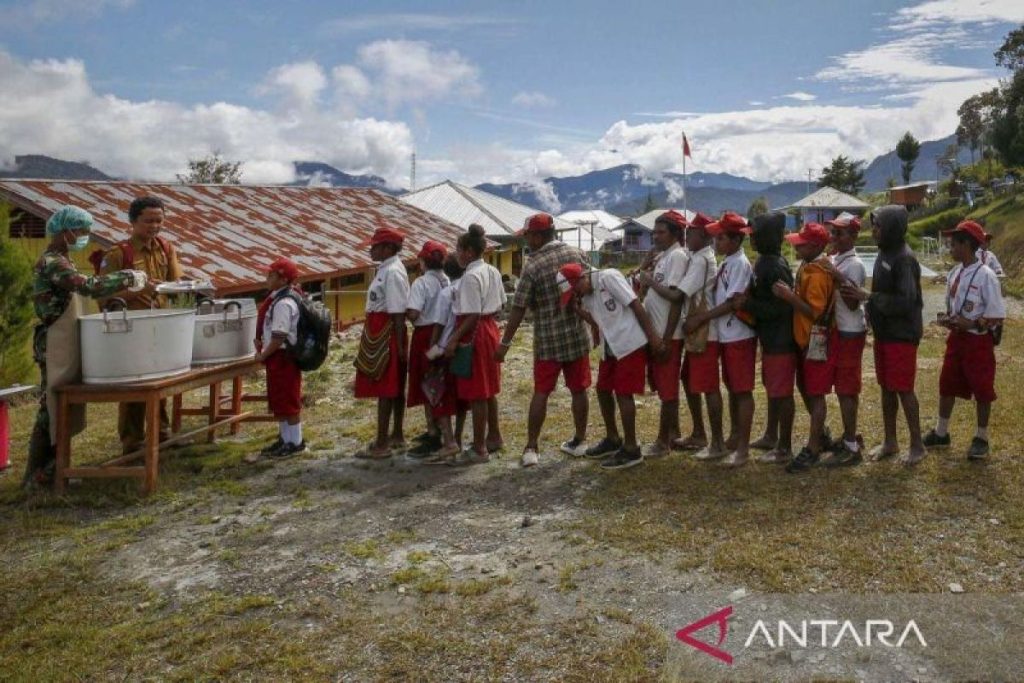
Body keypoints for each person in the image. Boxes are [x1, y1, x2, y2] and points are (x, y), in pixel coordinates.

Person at [25, 206, 149, 488]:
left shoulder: (63, 258)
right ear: (64, 231)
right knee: (51, 407)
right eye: (80, 231)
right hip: (53, 341)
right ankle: (38, 476)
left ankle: (53, 470)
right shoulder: (53, 262)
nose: (84, 236)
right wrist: (126, 277)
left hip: (64, 338)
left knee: (59, 408)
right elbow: (88, 286)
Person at [496, 213, 592, 467]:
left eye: (527, 235)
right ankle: (580, 440)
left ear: (538, 236)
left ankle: (531, 447)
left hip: (548, 341)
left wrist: (505, 344)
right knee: (579, 389)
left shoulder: (533, 264)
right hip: (577, 337)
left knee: (541, 392)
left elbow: (518, 307)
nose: (527, 240)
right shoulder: (578, 254)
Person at [558, 262, 664, 470]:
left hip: (629, 342)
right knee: (603, 390)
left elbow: (635, 305)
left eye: (575, 289)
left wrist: (653, 338)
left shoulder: (609, 278)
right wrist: (580, 312)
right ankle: (613, 438)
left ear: (582, 277)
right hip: (611, 345)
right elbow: (601, 321)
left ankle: (632, 448)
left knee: (624, 394)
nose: (577, 294)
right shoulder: (586, 296)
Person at [842, 205, 926, 465]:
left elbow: (907, 301)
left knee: (903, 389)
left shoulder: (904, 259)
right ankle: (890, 441)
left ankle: (917, 444)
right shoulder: (884, 253)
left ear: (891, 228)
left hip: (902, 335)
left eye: (878, 226)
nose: (874, 231)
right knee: (887, 388)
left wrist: (869, 297)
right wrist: (871, 311)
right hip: (885, 334)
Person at [100, 195, 184, 455]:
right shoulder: (117, 254)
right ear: (134, 221)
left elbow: (176, 284)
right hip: (130, 328)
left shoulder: (166, 249)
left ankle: (161, 433)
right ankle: (132, 442)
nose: (154, 226)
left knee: (160, 379)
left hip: (159, 324)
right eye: (148, 221)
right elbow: (103, 298)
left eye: (159, 221)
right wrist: (136, 291)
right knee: (134, 385)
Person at [924, 220, 1006, 459]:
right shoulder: (954, 273)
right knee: (947, 382)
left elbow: (996, 315)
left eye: (954, 244)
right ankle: (941, 432)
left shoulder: (986, 276)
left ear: (967, 245)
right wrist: (950, 320)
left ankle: (981, 436)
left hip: (977, 342)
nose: (950, 249)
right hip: (957, 338)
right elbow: (954, 306)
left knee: (982, 387)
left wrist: (971, 323)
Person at [685, 212, 755, 467]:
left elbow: (732, 303)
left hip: (738, 335)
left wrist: (702, 317)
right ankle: (735, 437)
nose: (717, 241)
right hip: (727, 335)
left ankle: (743, 449)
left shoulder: (739, 264)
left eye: (722, 237)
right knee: (734, 388)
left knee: (742, 391)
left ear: (736, 239)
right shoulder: (728, 261)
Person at [773, 223, 838, 473]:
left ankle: (813, 446)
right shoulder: (809, 266)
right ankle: (819, 435)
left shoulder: (818, 272)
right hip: (806, 339)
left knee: (816, 393)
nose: (796, 245)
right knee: (808, 388)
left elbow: (815, 311)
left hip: (816, 339)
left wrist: (789, 297)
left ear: (815, 246)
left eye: (801, 243)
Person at [445, 224, 506, 464]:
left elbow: (471, 315)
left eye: (458, 249)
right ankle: (494, 436)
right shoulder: (492, 270)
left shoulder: (470, 277)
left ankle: (479, 447)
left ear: (468, 251)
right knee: (489, 389)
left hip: (474, 333)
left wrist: (453, 340)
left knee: (477, 393)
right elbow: (500, 305)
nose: (456, 254)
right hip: (491, 329)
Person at [742, 212, 797, 464]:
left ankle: (784, 446)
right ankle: (770, 435)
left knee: (782, 392)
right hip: (769, 339)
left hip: (780, 339)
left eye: (756, 235)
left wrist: (748, 304)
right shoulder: (764, 261)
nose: (751, 240)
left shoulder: (774, 266)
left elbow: (783, 307)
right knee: (773, 389)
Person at [354, 226, 410, 459]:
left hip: (387, 330)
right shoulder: (385, 269)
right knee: (392, 385)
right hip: (381, 328)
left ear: (388, 248)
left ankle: (382, 441)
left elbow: (397, 312)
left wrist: (399, 345)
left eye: (375, 246)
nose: (371, 250)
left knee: (387, 386)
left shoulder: (393, 272)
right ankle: (395, 434)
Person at [636, 210, 688, 458]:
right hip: (656, 331)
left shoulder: (677, 256)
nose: (655, 236)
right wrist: (645, 268)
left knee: (668, 389)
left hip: (669, 333)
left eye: (661, 232)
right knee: (662, 385)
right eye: (653, 232)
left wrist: (666, 338)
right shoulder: (663, 257)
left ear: (675, 233)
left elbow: (676, 297)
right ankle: (673, 432)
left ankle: (662, 441)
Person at [823, 214, 867, 466]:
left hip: (850, 330)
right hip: (839, 330)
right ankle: (849, 436)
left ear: (853, 236)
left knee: (846, 388)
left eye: (840, 234)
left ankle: (851, 444)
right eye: (833, 232)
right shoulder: (839, 258)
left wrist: (836, 275)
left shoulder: (855, 265)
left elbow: (852, 303)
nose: (834, 237)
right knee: (843, 387)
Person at [252, 258, 306, 459]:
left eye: (271, 275)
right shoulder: (277, 298)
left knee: (288, 400)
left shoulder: (284, 303)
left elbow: (279, 335)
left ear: (283, 279)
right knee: (279, 401)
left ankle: (296, 441)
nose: (267, 278)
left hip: (283, 356)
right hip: (277, 356)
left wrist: (263, 354)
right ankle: (285, 438)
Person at [422, 254, 468, 464]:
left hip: (444, 347)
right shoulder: (466, 289)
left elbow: (439, 324)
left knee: (438, 394)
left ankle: (448, 441)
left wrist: (432, 347)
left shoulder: (446, 293)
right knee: (460, 396)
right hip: (462, 346)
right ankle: (458, 436)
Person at [405, 241, 450, 457]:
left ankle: (434, 431)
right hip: (444, 332)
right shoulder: (447, 280)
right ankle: (437, 427)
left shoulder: (421, 283)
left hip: (425, 334)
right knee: (439, 382)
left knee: (426, 382)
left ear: (423, 262)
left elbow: (413, 313)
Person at [674, 212, 715, 452]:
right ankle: (699, 431)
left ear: (703, 235)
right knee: (688, 378)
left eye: (692, 232)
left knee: (705, 384)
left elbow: (680, 292)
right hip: (699, 327)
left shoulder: (701, 260)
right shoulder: (698, 255)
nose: (687, 236)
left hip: (703, 330)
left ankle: (706, 435)